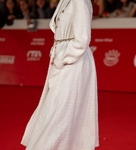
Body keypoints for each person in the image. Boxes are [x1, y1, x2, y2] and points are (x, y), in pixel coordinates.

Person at [21, 0, 99, 149]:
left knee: (61, 111)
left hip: (73, 61)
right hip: (63, 59)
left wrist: (63, 58)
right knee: (54, 108)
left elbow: (82, 39)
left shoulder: (79, 1)